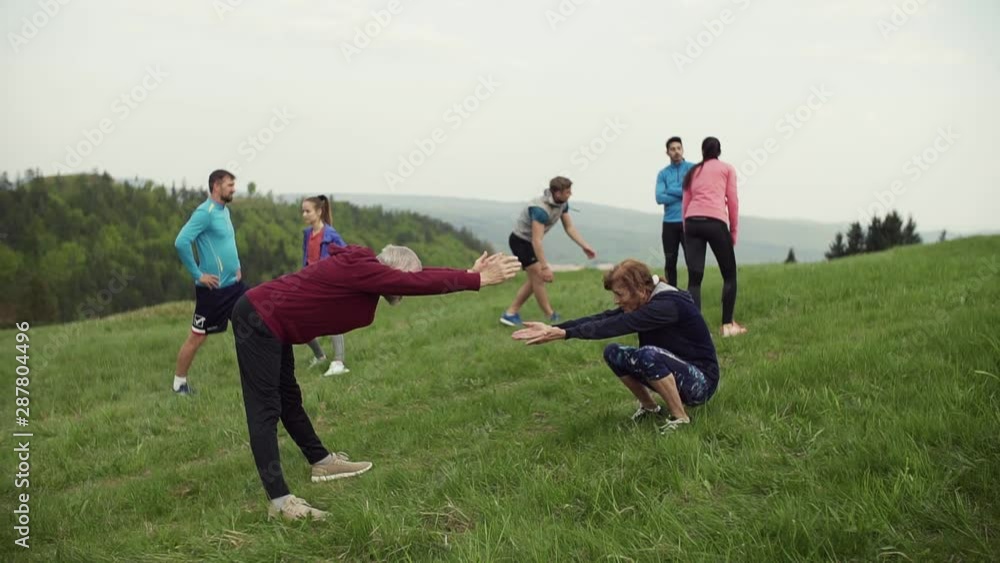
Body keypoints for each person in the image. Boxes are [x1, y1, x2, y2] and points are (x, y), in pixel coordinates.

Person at [230, 244, 521, 520]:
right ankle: (280, 503)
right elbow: (418, 284)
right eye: (402, 281)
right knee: (265, 408)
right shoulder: (362, 269)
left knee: (289, 398)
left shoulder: (368, 274)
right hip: (258, 317)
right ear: (393, 271)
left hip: (272, 321)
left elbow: (420, 278)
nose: (404, 291)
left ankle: (321, 462)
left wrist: (468, 273)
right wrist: (479, 280)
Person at [511, 259, 720, 431]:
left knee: (648, 354)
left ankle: (681, 418)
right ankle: (649, 408)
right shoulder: (645, 301)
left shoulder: (668, 304)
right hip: (676, 373)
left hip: (700, 384)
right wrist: (554, 328)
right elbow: (604, 318)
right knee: (614, 352)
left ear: (639, 289)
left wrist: (565, 333)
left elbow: (618, 324)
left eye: (619, 294)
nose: (616, 300)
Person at [171, 169, 247, 395]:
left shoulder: (224, 211)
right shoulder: (205, 212)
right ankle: (179, 384)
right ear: (216, 186)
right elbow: (181, 242)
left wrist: (237, 267)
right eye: (229, 185)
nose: (233, 189)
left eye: (234, 185)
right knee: (197, 337)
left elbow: (226, 243)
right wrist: (197, 275)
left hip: (235, 285)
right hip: (213, 291)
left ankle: (256, 374)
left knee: (254, 320)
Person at [499, 176, 597, 326]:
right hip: (521, 242)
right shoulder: (540, 210)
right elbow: (536, 240)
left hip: (531, 242)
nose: (570, 195)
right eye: (567, 192)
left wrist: (584, 245)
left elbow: (569, 227)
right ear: (557, 193)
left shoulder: (562, 204)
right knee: (538, 277)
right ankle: (551, 316)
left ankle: (510, 313)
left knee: (534, 280)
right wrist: (545, 267)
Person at [682, 137, 747, 337]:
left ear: (702, 151)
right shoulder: (727, 169)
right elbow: (733, 201)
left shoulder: (692, 171)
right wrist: (733, 231)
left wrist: (687, 229)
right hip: (715, 222)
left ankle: (696, 331)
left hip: (692, 221)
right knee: (729, 276)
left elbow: (685, 202)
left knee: (694, 279)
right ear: (719, 151)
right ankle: (728, 326)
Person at [299, 195, 351, 376]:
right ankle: (320, 356)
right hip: (311, 284)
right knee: (300, 321)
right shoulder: (307, 234)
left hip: (329, 285)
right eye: (303, 211)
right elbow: (307, 259)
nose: (304, 214)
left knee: (334, 321)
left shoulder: (331, 234)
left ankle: (338, 362)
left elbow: (346, 255)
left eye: (308, 211)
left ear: (319, 212)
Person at [655, 136, 694, 287]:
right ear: (667, 152)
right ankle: (672, 295)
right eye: (673, 149)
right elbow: (659, 197)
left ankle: (692, 295)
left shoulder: (692, 168)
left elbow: (693, 192)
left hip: (688, 221)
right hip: (669, 223)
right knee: (670, 262)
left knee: (692, 261)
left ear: (683, 149)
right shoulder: (663, 174)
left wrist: (670, 190)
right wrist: (683, 192)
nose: (676, 152)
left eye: (679, 148)